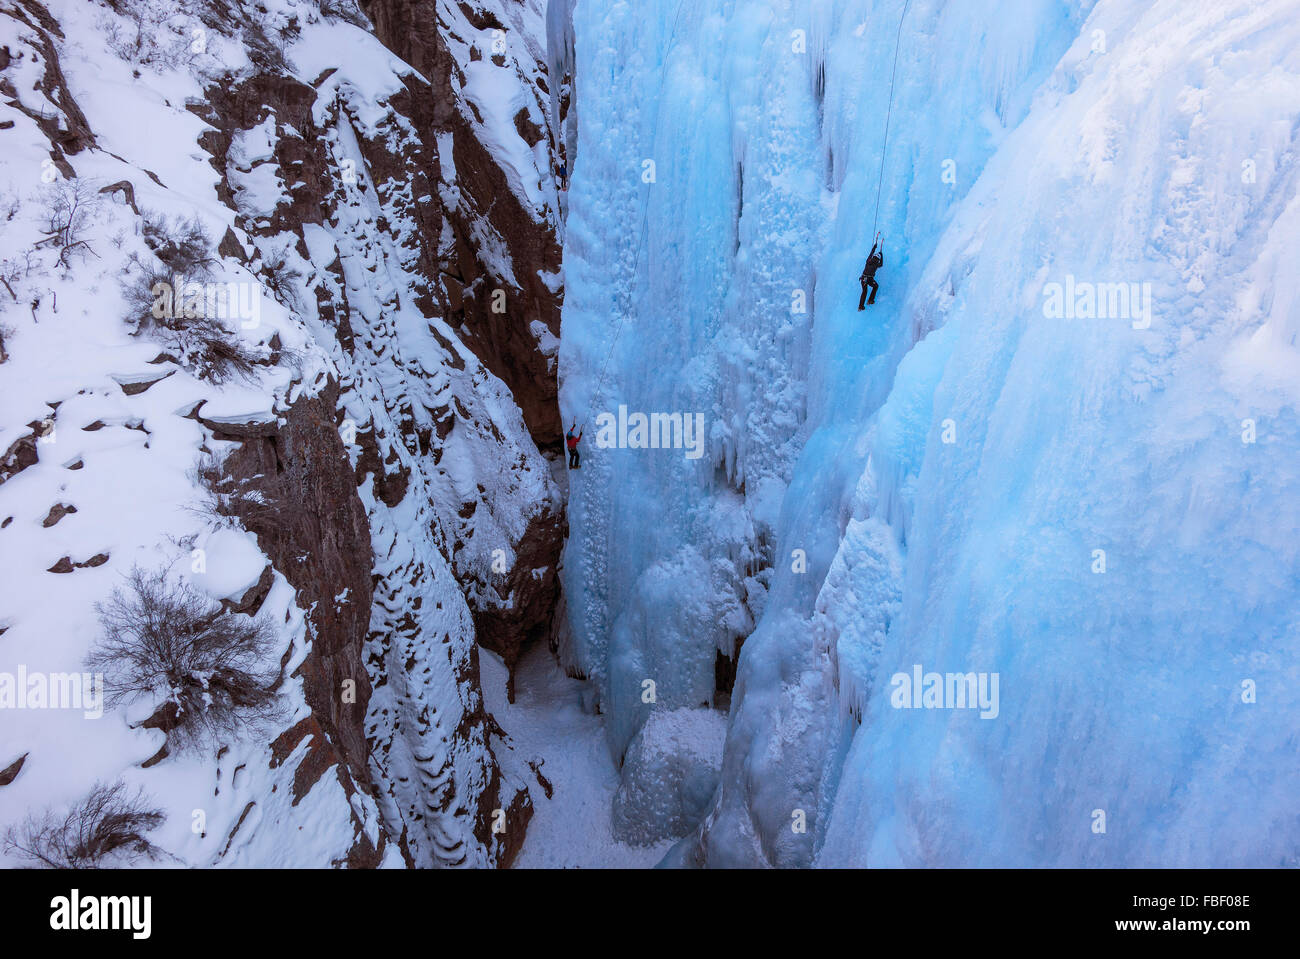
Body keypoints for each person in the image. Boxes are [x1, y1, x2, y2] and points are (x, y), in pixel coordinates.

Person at [858, 233, 884, 309]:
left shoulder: (868, 260)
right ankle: (870, 300)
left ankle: (861, 306)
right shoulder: (876, 264)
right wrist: (882, 255)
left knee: (865, 291)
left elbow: (871, 253)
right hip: (868, 279)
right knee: (875, 287)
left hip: (864, 278)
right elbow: (881, 264)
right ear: (878, 259)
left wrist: (874, 247)